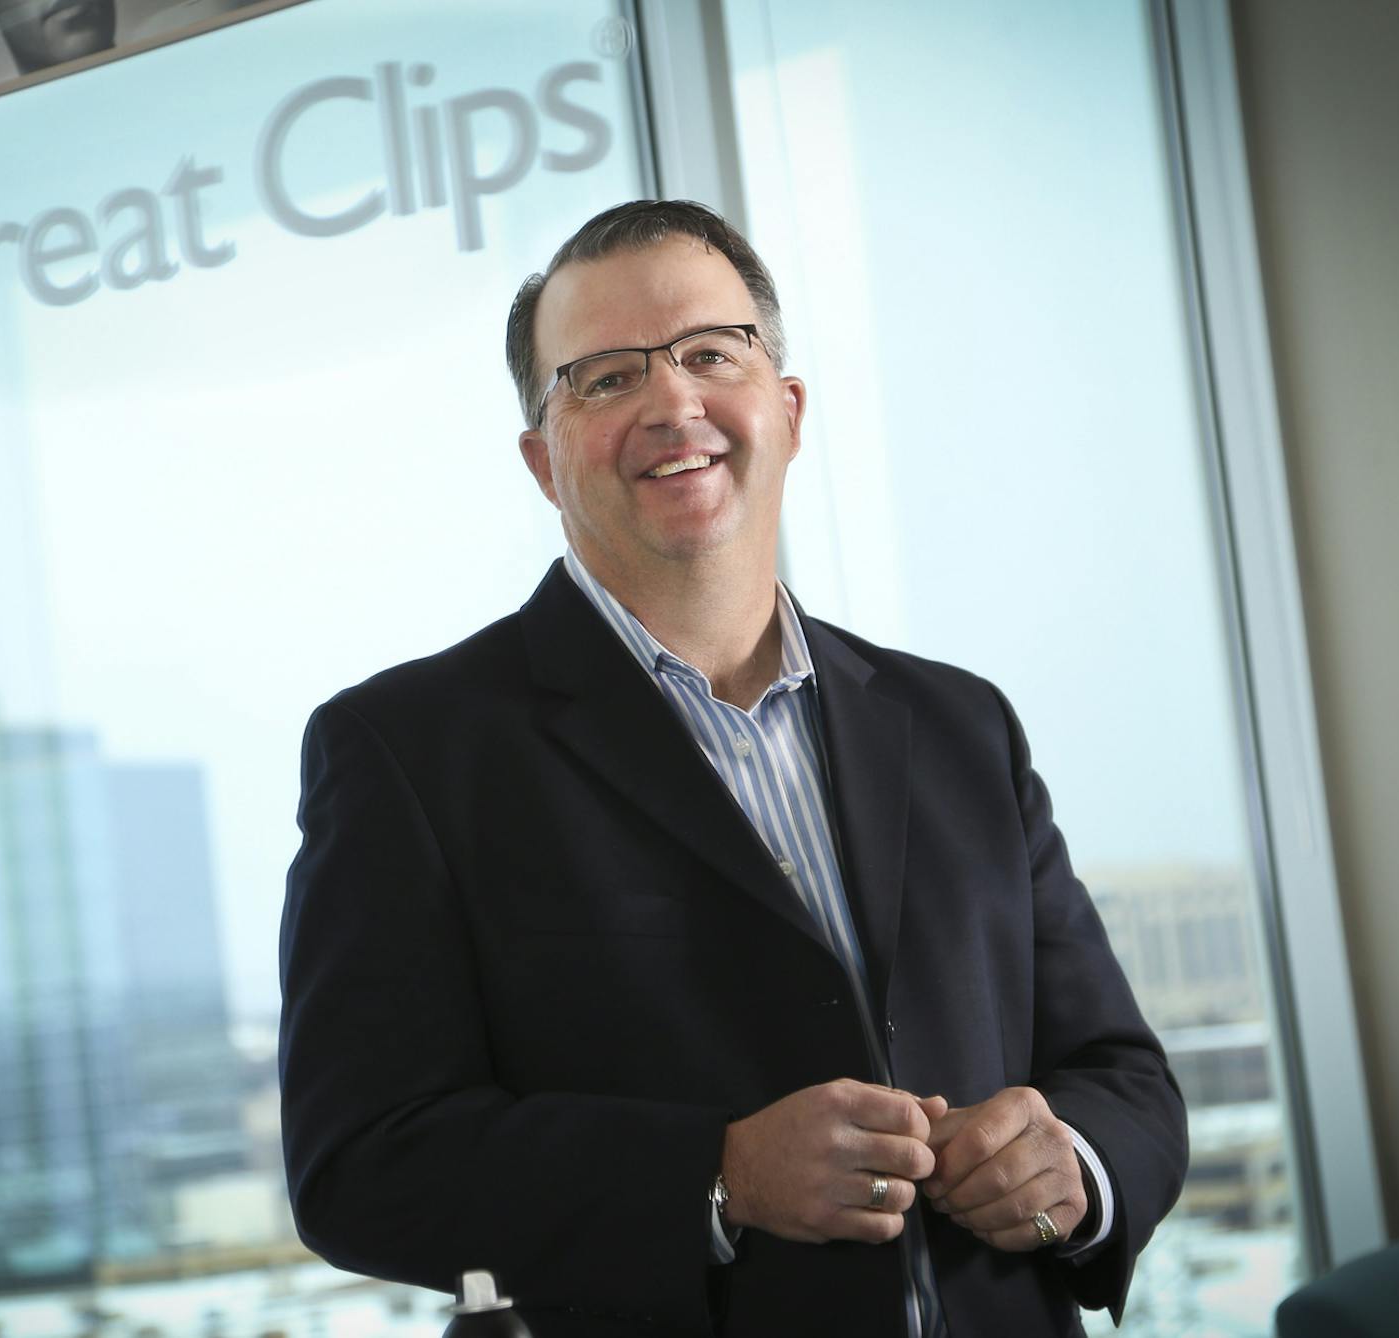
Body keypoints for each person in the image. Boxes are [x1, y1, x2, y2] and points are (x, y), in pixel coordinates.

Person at [278, 200, 1187, 1337]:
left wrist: (1079, 1166)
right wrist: (718, 1175)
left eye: (712, 354)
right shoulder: (409, 752)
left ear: (788, 410)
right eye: (603, 378)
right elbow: (360, 1164)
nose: (672, 402)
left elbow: (1123, 1074)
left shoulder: (959, 724)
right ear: (541, 461)